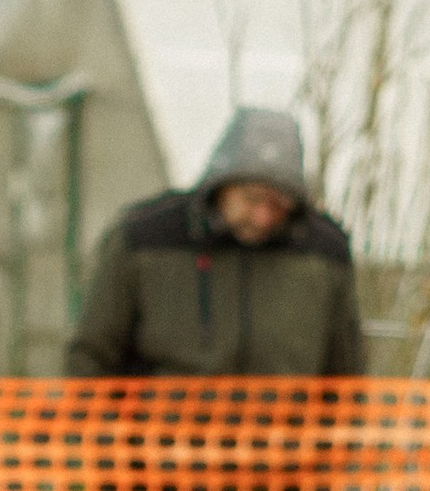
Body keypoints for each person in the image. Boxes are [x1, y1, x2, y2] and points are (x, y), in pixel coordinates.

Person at [65, 106, 364, 380]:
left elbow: (345, 371)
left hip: (285, 423)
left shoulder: (324, 252)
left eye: (277, 205)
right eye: (252, 200)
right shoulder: (144, 238)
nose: (263, 217)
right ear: (222, 186)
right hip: (163, 422)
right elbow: (92, 353)